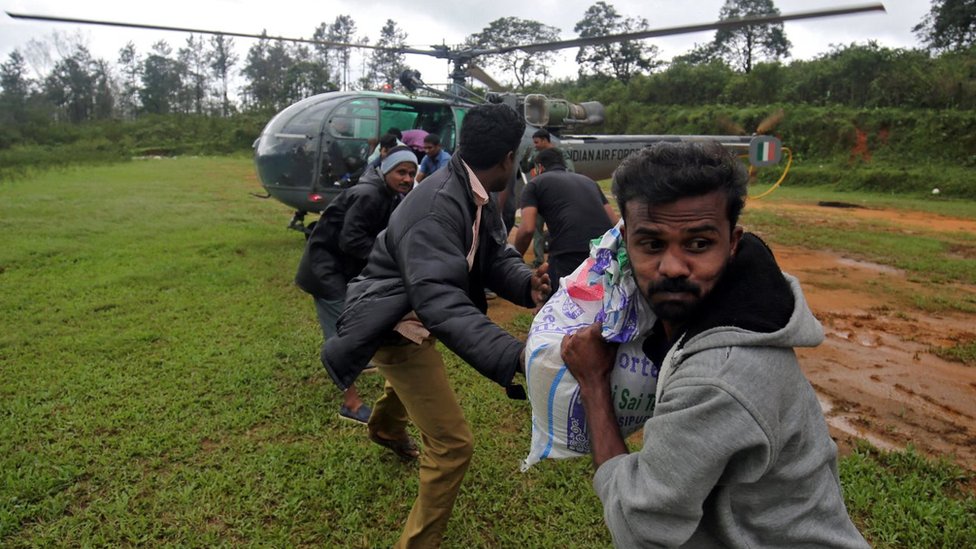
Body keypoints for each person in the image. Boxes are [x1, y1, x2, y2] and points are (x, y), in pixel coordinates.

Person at [560, 142, 869, 548]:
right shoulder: (731, 308)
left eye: (699, 244)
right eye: (651, 244)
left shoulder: (718, 379)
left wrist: (595, 384)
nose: (672, 267)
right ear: (626, 242)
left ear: (733, 241)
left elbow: (638, 527)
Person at [322, 103, 550, 548]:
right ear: (508, 157)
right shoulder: (438, 207)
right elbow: (441, 302)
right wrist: (516, 355)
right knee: (452, 446)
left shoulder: (476, 190)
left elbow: (494, 255)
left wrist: (528, 286)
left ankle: (385, 429)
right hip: (394, 324)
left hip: (413, 315)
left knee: (408, 386)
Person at [294, 146, 418, 424]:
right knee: (344, 334)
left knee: (358, 321)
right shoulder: (369, 194)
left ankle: (360, 361)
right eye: (401, 172)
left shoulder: (389, 194)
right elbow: (351, 241)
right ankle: (350, 404)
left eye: (412, 173)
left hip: (342, 270)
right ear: (386, 170)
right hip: (325, 271)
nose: (407, 178)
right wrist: (389, 261)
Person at [515, 148, 618, 293]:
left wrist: (512, 259)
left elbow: (527, 229)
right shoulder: (589, 182)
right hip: (604, 251)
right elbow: (614, 221)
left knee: (560, 304)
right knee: (599, 303)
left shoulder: (535, 184)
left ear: (539, 167)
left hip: (567, 254)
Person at [524, 128, 575, 268]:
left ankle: (558, 257)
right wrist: (525, 156)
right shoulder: (534, 153)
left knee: (557, 228)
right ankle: (539, 259)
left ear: (546, 140)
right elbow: (524, 168)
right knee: (537, 228)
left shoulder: (559, 154)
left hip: (554, 196)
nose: (535, 145)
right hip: (539, 196)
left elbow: (570, 170)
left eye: (537, 142)